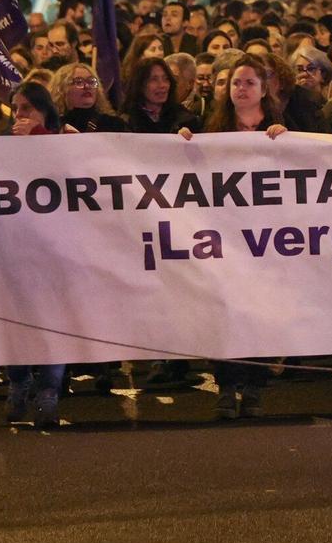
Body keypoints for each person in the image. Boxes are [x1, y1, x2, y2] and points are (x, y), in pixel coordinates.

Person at [178, 55, 289, 419]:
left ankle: (254, 389)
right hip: (224, 238)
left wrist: (288, 142)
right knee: (224, 313)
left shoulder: (280, 128)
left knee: (261, 313)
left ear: (262, 89)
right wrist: (181, 144)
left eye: (249, 83)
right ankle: (226, 387)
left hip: (269, 241)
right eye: (236, 83)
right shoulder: (210, 129)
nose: (241, 89)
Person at [1, 82, 73, 428]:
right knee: (14, 318)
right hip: (15, 251)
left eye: (27, 108)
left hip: (57, 252)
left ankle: (48, 391)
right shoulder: (1, 150)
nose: (20, 116)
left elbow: (72, 173)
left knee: (52, 322)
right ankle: (18, 382)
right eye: (15, 109)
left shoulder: (63, 139)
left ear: (45, 111)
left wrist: (40, 135)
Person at [121, 56, 202, 135]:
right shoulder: (126, 121)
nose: (162, 85)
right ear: (140, 85)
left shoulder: (184, 120)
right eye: (154, 79)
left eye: (166, 79)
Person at [51, 63, 128, 134]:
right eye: (79, 82)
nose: (87, 86)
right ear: (61, 89)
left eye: (91, 81)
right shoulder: (53, 126)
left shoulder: (115, 125)